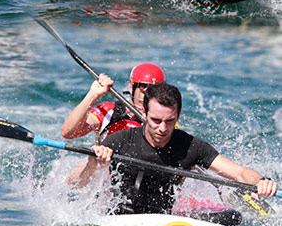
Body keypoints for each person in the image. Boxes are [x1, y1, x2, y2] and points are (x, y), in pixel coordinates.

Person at [93, 82, 277, 214]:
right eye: (156, 120)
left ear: (178, 115)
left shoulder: (191, 146)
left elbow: (238, 172)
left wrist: (262, 180)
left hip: (162, 222)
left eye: (170, 121)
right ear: (144, 113)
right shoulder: (120, 141)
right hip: (118, 222)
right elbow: (75, 180)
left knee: (232, 217)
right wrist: (95, 163)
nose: (162, 129)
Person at [61, 63, 165, 187]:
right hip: (102, 175)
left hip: (138, 182)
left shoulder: (165, 124)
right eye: (143, 89)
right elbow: (68, 132)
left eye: (154, 92)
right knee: (84, 166)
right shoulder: (109, 111)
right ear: (131, 88)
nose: (148, 98)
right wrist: (93, 95)